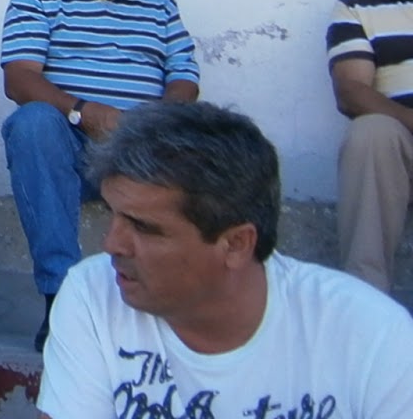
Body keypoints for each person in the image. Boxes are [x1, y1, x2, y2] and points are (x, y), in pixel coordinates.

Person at [38, 102, 413, 419]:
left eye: (144, 227)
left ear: (236, 244)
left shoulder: (373, 337)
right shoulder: (93, 295)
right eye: (113, 215)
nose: (111, 244)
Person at [1, 0, 200, 351]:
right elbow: (19, 78)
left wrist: (157, 122)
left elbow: (185, 75)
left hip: (145, 148)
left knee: (221, 140)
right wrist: (82, 111)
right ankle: (61, 297)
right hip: (75, 147)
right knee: (32, 123)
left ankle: (192, 303)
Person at [327, 0, 413, 292]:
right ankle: (366, 298)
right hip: (404, 142)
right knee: (370, 130)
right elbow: (351, 91)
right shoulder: (356, 10)